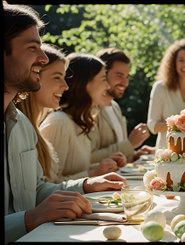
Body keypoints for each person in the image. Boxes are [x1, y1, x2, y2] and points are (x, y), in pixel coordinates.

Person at [3, 4, 126, 243]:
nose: (43, 58)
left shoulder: (22, 125)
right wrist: (28, 220)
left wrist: (86, 185)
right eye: (32, 48)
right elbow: (32, 212)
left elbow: (36, 192)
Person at [39, 52, 127, 180]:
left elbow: (76, 170)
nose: (107, 86)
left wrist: (104, 165)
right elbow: (48, 184)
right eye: (103, 80)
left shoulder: (81, 122)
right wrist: (93, 174)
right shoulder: (59, 122)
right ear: (84, 83)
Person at [91, 48, 153, 163]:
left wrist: (134, 155)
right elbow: (89, 158)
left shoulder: (115, 107)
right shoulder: (90, 110)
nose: (125, 83)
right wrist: (130, 144)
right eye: (119, 75)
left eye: (127, 77)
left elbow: (120, 153)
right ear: (102, 74)